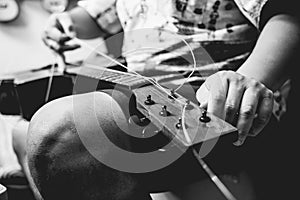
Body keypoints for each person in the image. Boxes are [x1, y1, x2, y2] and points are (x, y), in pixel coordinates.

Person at [24, 0, 300, 199]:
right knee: (24, 131)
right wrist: (67, 22)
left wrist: (248, 81)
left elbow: (286, 15)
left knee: (63, 133)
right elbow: (93, 16)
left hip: (219, 111)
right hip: (145, 100)